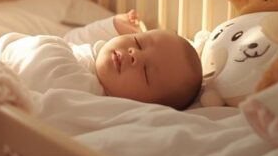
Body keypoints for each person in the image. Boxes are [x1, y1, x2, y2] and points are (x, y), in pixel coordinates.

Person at [64, 9, 203, 110]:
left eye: (145, 72)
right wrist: (112, 25)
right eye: (138, 42)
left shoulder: (97, 104)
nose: (134, 54)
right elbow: (68, 39)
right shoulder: (94, 51)